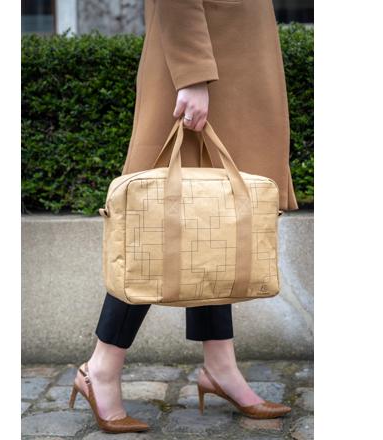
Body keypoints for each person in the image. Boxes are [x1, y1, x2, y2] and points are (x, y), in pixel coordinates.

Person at [69, 0, 299, 433]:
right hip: (203, 70)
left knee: (214, 224)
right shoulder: (196, 74)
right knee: (150, 229)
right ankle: (99, 368)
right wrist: (193, 75)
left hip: (231, 66)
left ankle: (220, 366)